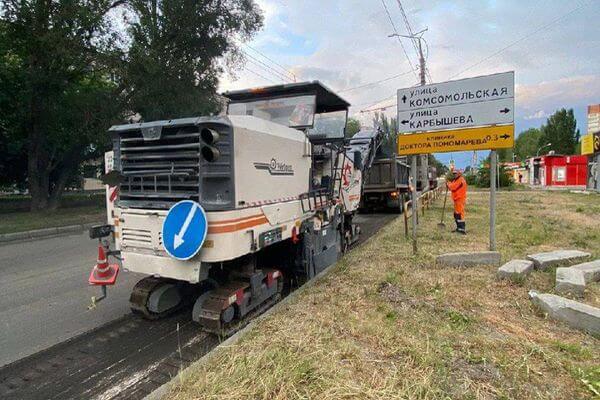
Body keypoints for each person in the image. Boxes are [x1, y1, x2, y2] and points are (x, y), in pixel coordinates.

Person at [446, 169, 467, 234]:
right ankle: (459, 228)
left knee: (459, 214)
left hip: (459, 199)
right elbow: (452, 185)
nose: (454, 175)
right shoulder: (457, 180)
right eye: (454, 173)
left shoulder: (460, 180)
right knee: (456, 214)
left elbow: (452, 187)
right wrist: (448, 183)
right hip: (457, 199)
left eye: (455, 173)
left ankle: (461, 229)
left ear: (459, 174)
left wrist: (448, 183)